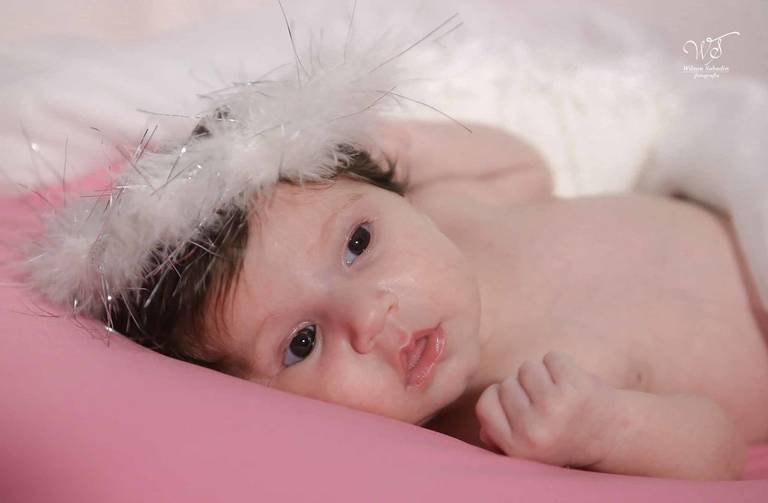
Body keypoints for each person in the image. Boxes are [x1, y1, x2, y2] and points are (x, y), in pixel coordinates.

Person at [103, 117, 766, 481]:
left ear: (391, 194)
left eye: (358, 242)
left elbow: (523, 165)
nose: (369, 318)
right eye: (302, 343)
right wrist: (609, 427)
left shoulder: (449, 206)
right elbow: (720, 448)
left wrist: (410, 143)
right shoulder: (512, 408)